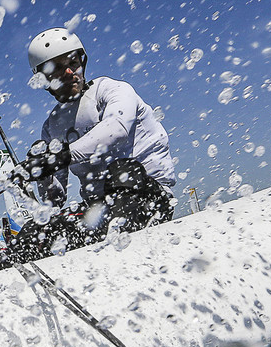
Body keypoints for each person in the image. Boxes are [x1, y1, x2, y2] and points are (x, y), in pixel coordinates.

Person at [14, 28, 177, 251]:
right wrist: (41, 173)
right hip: (99, 210)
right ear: (43, 79)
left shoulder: (113, 89)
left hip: (148, 195)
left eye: (74, 62)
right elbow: (55, 200)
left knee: (122, 171)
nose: (70, 72)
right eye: (58, 69)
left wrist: (60, 156)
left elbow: (116, 128)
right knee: (35, 232)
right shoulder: (51, 126)